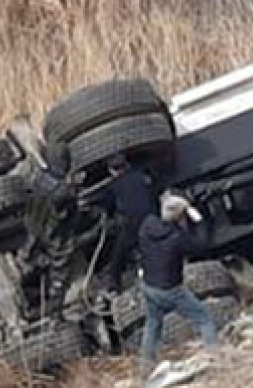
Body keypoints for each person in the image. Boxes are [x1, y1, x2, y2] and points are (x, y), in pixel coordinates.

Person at [136, 194, 218, 378]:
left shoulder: (146, 225)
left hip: (148, 285)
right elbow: (202, 245)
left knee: (153, 324)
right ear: (181, 217)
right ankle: (217, 358)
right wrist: (198, 219)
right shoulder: (177, 238)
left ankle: (145, 367)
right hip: (170, 289)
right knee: (204, 319)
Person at [22, 141, 80, 317]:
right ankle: (55, 311)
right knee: (60, 271)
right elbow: (70, 211)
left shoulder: (37, 178)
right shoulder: (62, 190)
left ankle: (29, 293)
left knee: (29, 263)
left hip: (31, 228)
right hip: (53, 235)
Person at [93, 151, 157, 291]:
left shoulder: (115, 185)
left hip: (132, 224)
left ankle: (113, 284)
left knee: (118, 254)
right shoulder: (142, 176)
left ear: (112, 170)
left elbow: (107, 204)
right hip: (152, 219)